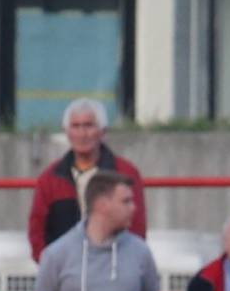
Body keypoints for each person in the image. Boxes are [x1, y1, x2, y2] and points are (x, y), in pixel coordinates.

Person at [26, 98, 147, 261]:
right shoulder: (50, 179)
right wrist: (50, 267)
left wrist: (126, 266)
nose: (82, 134)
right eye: (75, 126)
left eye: (89, 125)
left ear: (103, 131)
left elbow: (137, 226)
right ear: (67, 131)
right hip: (66, 271)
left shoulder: (125, 173)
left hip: (113, 268)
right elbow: (37, 231)